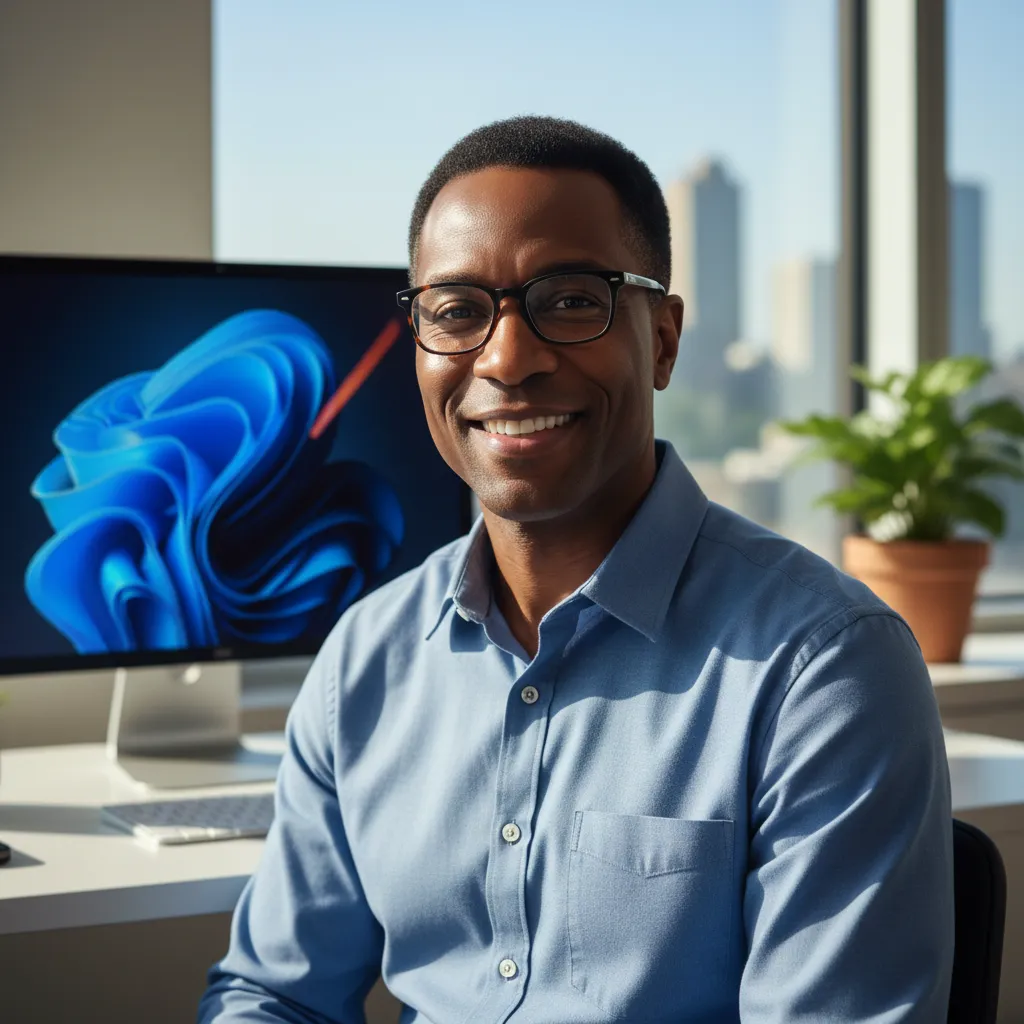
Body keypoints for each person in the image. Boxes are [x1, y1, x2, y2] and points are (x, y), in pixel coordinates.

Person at [198, 115, 954, 1023]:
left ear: (664, 339)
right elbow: (275, 993)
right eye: (456, 311)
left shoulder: (825, 669)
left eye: (568, 301)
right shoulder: (365, 658)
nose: (507, 358)